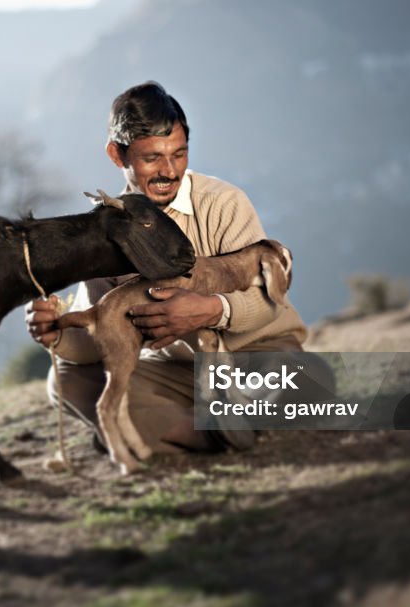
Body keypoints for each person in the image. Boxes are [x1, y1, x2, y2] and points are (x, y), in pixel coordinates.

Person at [25, 81, 307, 455]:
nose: (169, 171)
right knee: (66, 380)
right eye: (151, 158)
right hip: (174, 369)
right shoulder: (106, 230)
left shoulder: (223, 203)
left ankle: (161, 431)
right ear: (117, 155)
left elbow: (269, 302)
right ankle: (210, 433)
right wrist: (55, 333)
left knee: (299, 379)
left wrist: (213, 309)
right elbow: (98, 338)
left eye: (179, 154)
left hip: (254, 354)